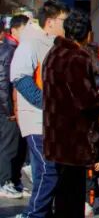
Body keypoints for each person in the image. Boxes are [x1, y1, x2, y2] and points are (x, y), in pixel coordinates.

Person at [41, 10, 99, 218]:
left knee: (63, 192)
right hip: (73, 136)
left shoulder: (54, 53)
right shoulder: (77, 57)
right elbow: (86, 99)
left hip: (56, 132)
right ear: (88, 34)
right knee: (72, 195)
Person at [11, 0, 69, 218]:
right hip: (37, 119)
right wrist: (47, 103)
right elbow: (20, 78)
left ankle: (41, 214)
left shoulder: (56, 44)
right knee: (48, 171)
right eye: (64, 20)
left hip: (54, 120)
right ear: (51, 22)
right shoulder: (31, 43)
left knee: (46, 171)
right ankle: (33, 214)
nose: (67, 24)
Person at [0, 14, 29, 198]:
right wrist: (9, 109)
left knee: (18, 146)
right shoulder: (9, 50)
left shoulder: (14, 48)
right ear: (14, 30)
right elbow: (3, 83)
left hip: (13, 107)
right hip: (8, 108)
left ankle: (14, 181)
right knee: (9, 146)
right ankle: (4, 182)